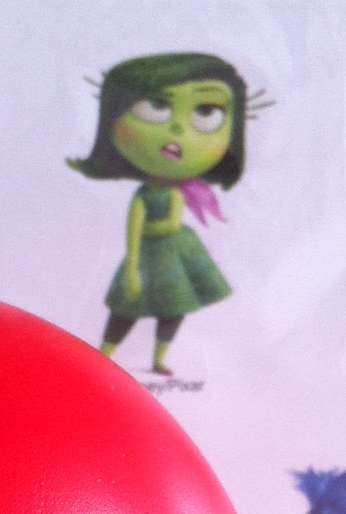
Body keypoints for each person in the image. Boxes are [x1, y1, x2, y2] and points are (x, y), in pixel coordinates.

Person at [69, 52, 247, 375]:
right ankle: (100, 358)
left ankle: (158, 360)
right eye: (155, 107)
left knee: (174, 309)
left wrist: (156, 230)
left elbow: (167, 223)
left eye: (206, 113)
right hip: (150, 259)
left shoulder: (175, 193)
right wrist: (133, 266)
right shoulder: (146, 195)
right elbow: (138, 229)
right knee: (127, 308)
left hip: (176, 262)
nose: (178, 128)